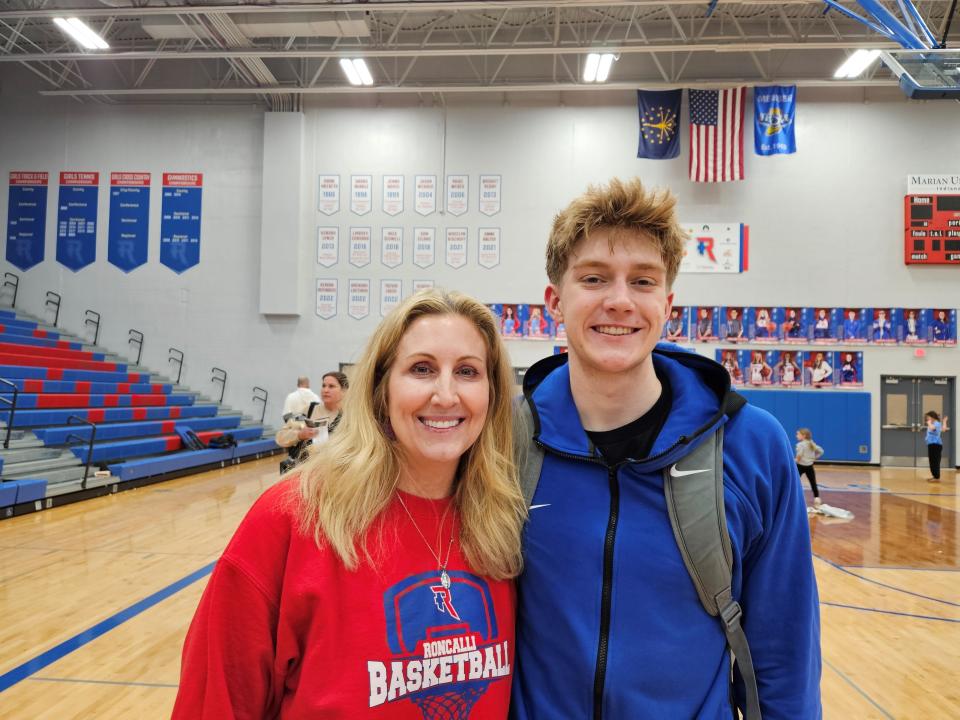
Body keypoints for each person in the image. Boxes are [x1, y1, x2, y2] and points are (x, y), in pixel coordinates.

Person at [512, 177, 821, 719]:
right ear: (554, 302)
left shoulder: (751, 444)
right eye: (594, 278)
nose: (619, 301)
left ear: (668, 303)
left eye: (643, 281)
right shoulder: (503, 437)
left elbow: (785, 646)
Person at [173, 289, 526, 718]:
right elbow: (216, 702)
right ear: (381, 389)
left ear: (492, 395)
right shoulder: (293, 516)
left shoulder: (503, 523)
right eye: (421, 369)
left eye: (468, 371)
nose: (446, 395)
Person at [276, 371, 349, 470]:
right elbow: (280, 437)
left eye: (331, 386)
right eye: (324, 386)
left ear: (344, 391)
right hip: (308, 472)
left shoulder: (351, 415)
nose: (325, 390)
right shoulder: (309, 410)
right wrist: (300, 435)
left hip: (338, 473)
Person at [795, 428, 824, 507]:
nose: (796, 436)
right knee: (813, 482)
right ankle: (817, 498)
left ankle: (793, 497)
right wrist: (814, 457)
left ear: (803, 436)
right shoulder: (811, 443)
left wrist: (794, 461)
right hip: (809, 466)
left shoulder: (800, 445)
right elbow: (821, 451)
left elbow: (799, 456)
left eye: (798, 434)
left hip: (800, 466)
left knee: (794, 481)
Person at [924, 411, 949, 482]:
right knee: (932, 461)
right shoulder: (935, 423)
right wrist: (944, 421)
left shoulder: (936, 423)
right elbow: (943, 429)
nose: (927, 418)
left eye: (928, 417)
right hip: (931, 445)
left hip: (936, 445)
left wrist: (928, 423)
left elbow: (932, 428)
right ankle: (935, 476)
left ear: (932, 417)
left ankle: (937, 477)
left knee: (935, 461)